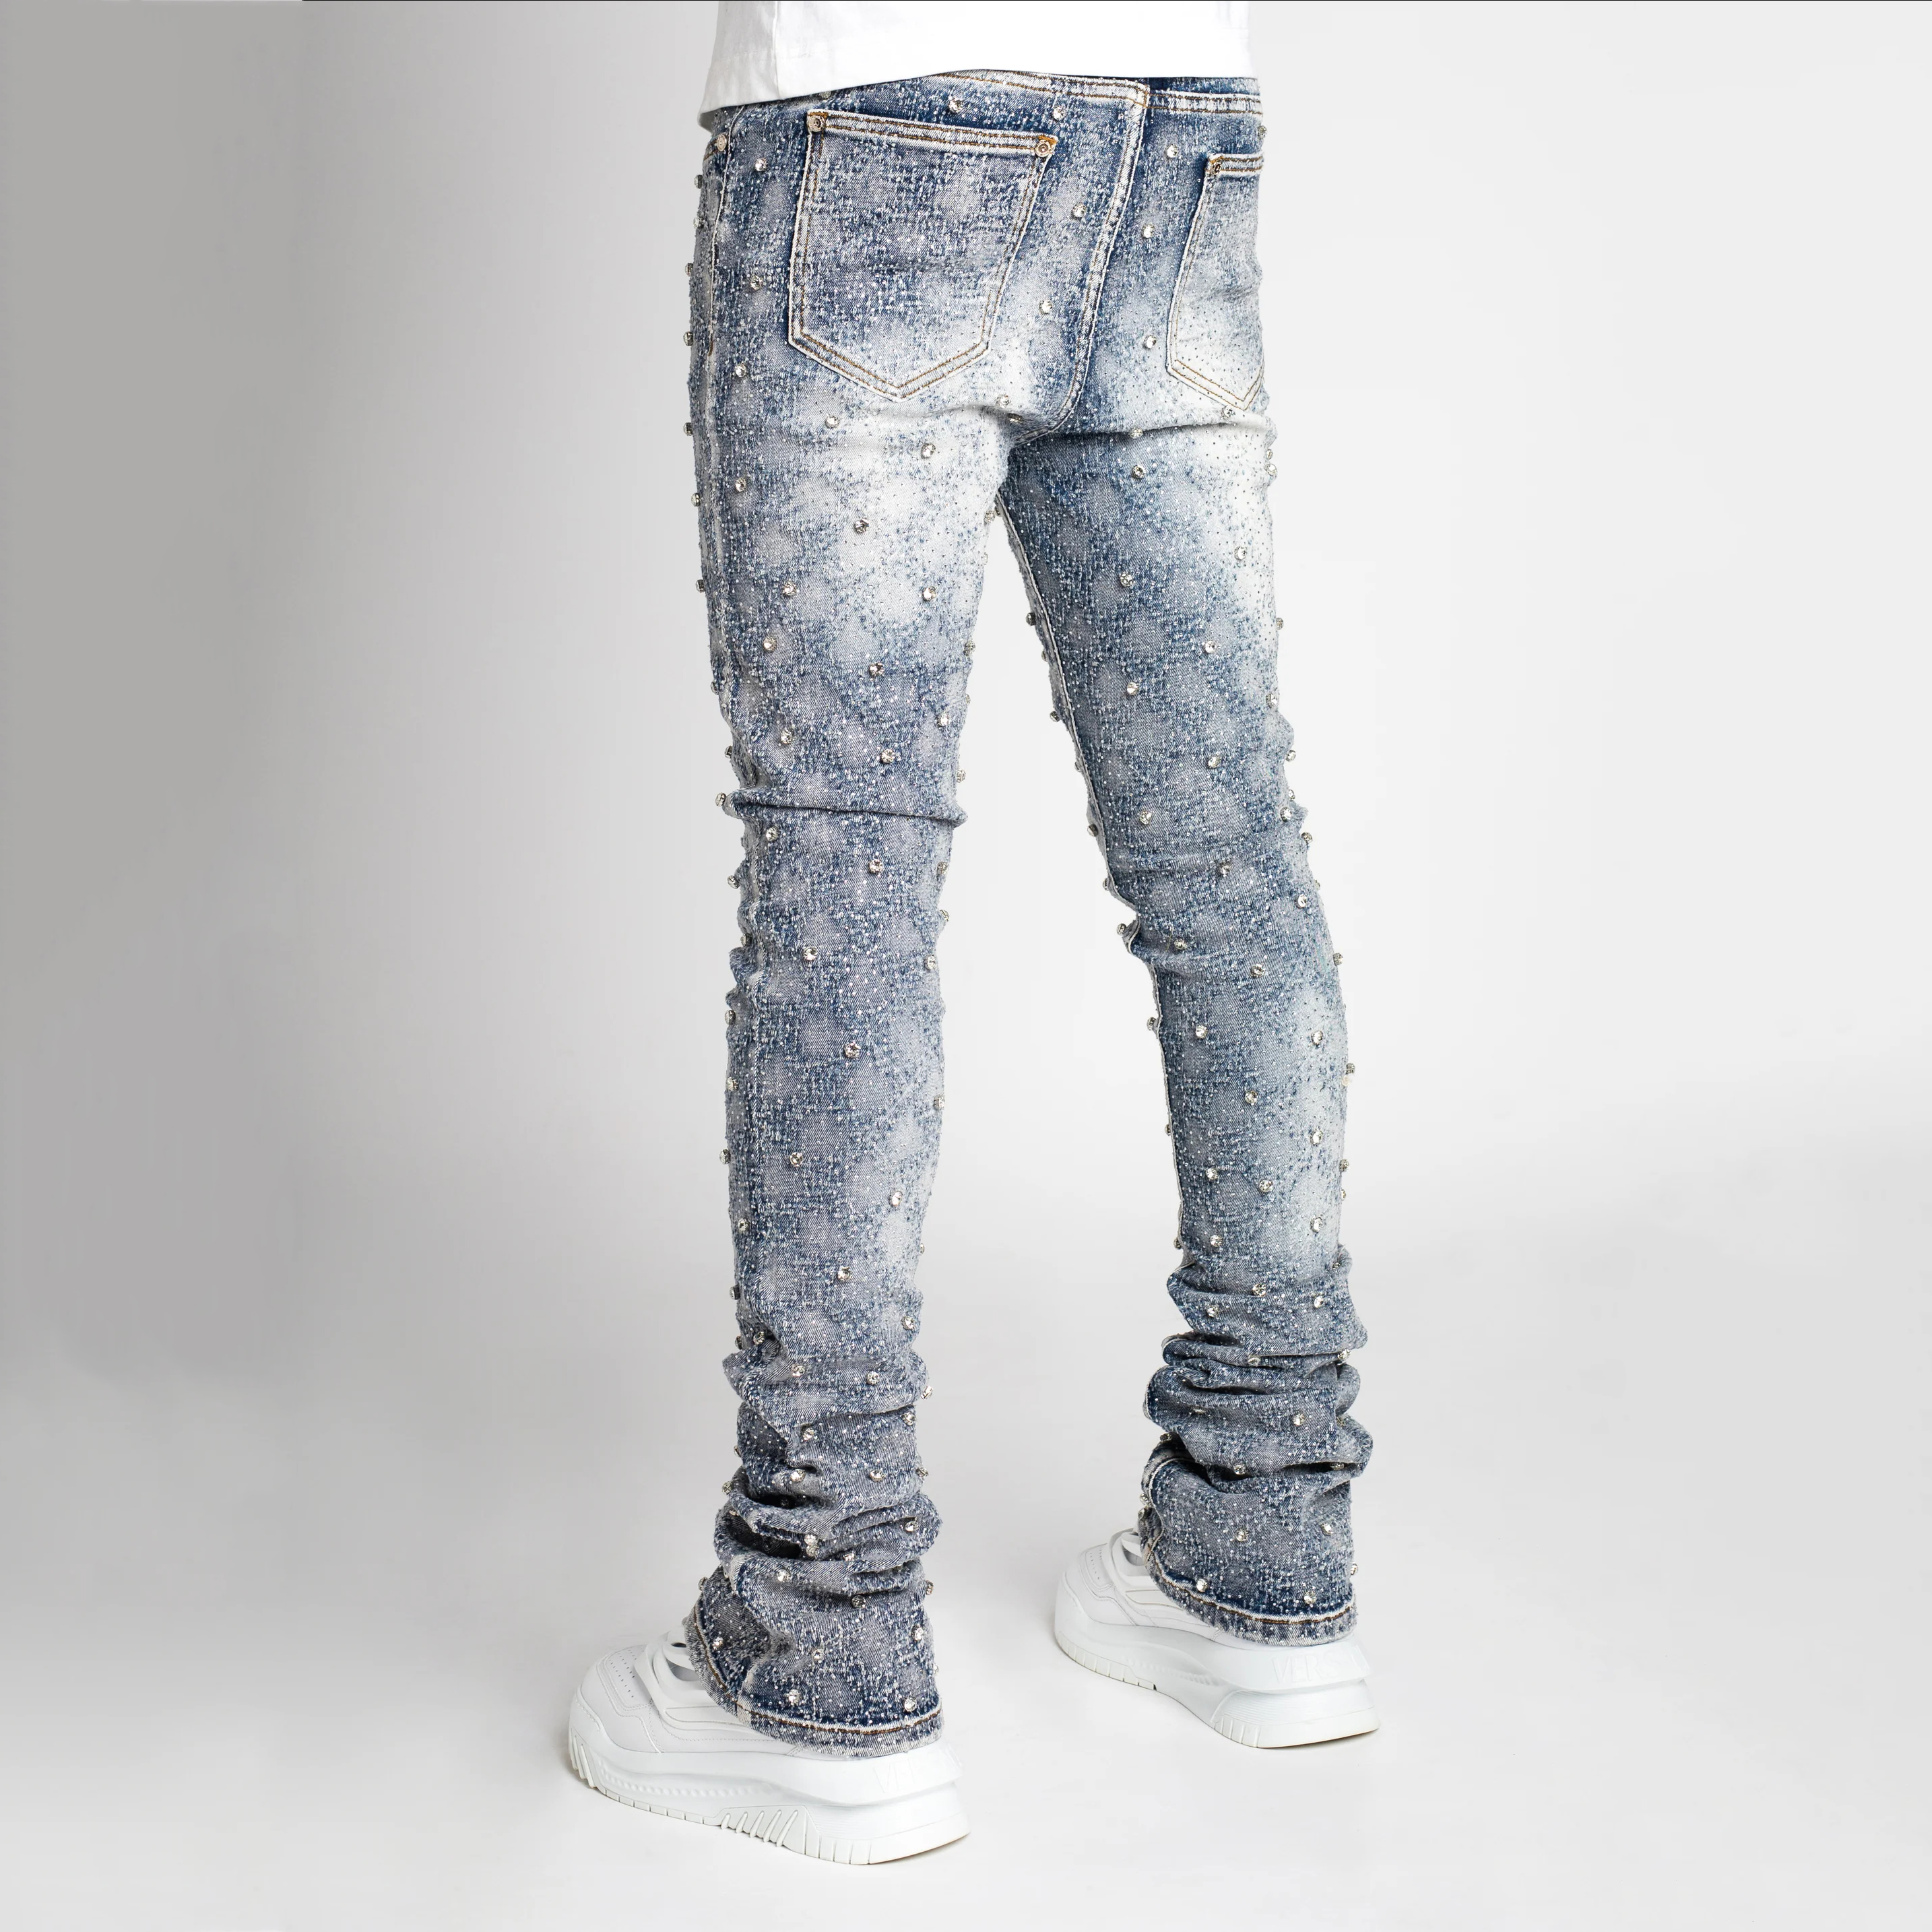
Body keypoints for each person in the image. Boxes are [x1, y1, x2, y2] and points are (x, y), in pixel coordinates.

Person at [566, 1, 1374, 1863]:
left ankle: (818, 1632)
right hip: (1173, 114)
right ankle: (1261, 1541)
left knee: (843, 872)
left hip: (871, 111)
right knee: (1225, 863)